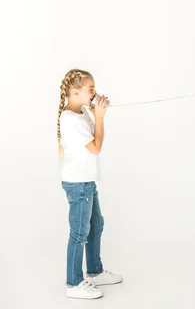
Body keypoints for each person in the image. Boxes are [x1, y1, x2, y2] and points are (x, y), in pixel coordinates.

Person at [57, 69, 122, 299]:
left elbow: (92, 137)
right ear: (75, 92)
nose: (95, 92)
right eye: (90, 89)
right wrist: (101, 118)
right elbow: (95, 147)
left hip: (87, 181)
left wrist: (95, 114)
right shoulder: (71, 120)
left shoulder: (82, 111)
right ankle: (73, 284)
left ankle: (94, 272)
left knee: (96, 225)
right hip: (78, 183)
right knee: (79, 232)